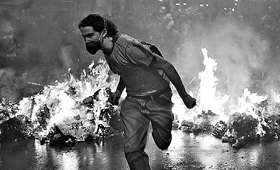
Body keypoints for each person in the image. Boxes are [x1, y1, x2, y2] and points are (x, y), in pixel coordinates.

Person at [78, 14, 196, 170]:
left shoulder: (129, 48)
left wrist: (184, 96)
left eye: (90, 35)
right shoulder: (106, 50)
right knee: (132, 150)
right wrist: (118, 92)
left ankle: (162, 123)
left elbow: (166, 66)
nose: (87, 41)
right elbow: (126, 71)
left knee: (163, 141)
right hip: (134, 101)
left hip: (158, 97)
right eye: (84, 37)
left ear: (104, 33)